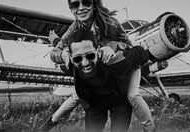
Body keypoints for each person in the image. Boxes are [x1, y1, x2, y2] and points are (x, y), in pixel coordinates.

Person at [48, 0, 156, 131]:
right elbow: (55, 53)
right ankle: (51, 122)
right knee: (78, 96)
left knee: (132, 95)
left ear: (94, 5)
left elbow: (129, 48)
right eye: (75, 4)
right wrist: (63, 55)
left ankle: (150, 128)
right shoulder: (73, 30)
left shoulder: (111, 23)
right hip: (99, 79)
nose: (81, 8)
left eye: (86, 2)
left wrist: (112, 46)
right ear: (71, 9)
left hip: (121, 70)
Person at [65, 30, 154, 132]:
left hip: (118, 98)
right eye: (77, 59)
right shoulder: (69, 65)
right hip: (95, 102)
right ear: (71, 58)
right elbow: (57, 53)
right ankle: (50, 123)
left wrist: (118, 47)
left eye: (90, 56)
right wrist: (56, 43)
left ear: (98, 51)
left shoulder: (118, 60)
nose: (85, 63)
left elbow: (141, 53)